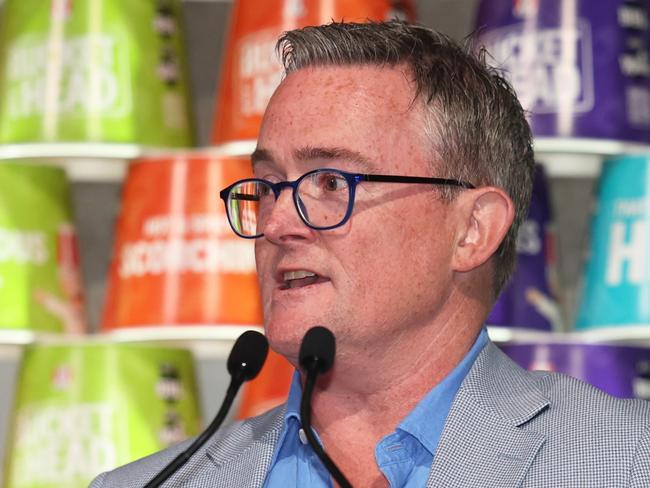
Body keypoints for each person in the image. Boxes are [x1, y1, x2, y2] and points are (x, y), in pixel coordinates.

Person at [91, 20, 650, 487]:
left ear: (473, 230)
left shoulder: (625, 462)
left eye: (331, 183)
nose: (278, 222)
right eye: (266, 185)